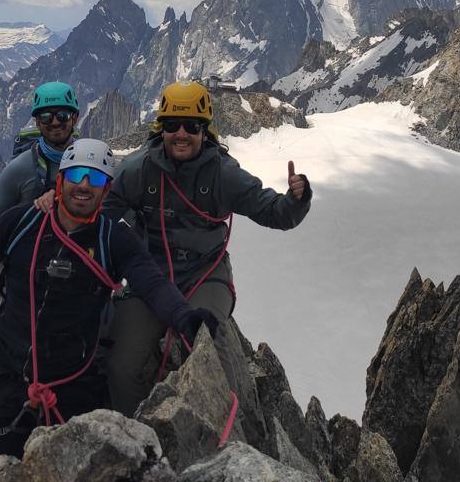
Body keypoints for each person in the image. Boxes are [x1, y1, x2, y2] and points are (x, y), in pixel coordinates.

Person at [0, 138, 218, 475]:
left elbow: (152, 283)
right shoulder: (22, 221)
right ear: (60, 180)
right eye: (76, 174)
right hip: (7, 375)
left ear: (107, 191)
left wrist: (184, 318)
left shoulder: (114, 240)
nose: (85, 186)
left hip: (72, 386)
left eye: (97, 178)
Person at [102, 79, 312, 416]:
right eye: (172, 125)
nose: (181, 133)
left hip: (205, 273)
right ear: (161, 129)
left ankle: (213, 444)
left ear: (205, 130)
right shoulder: (140, 169)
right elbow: (100, 213)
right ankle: (139, 440)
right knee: (120, 365)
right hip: (151, 277)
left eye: (191, 126)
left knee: (209, 354)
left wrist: (296, 201)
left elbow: (274, 213)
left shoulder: (223, 173)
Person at [0, 81, 81, 319]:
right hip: (27, 273)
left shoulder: (89, 164)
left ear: (75, 118)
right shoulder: (20, 169)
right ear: (37, 122)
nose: (55, 122)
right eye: (46, 116)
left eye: (63, 114)